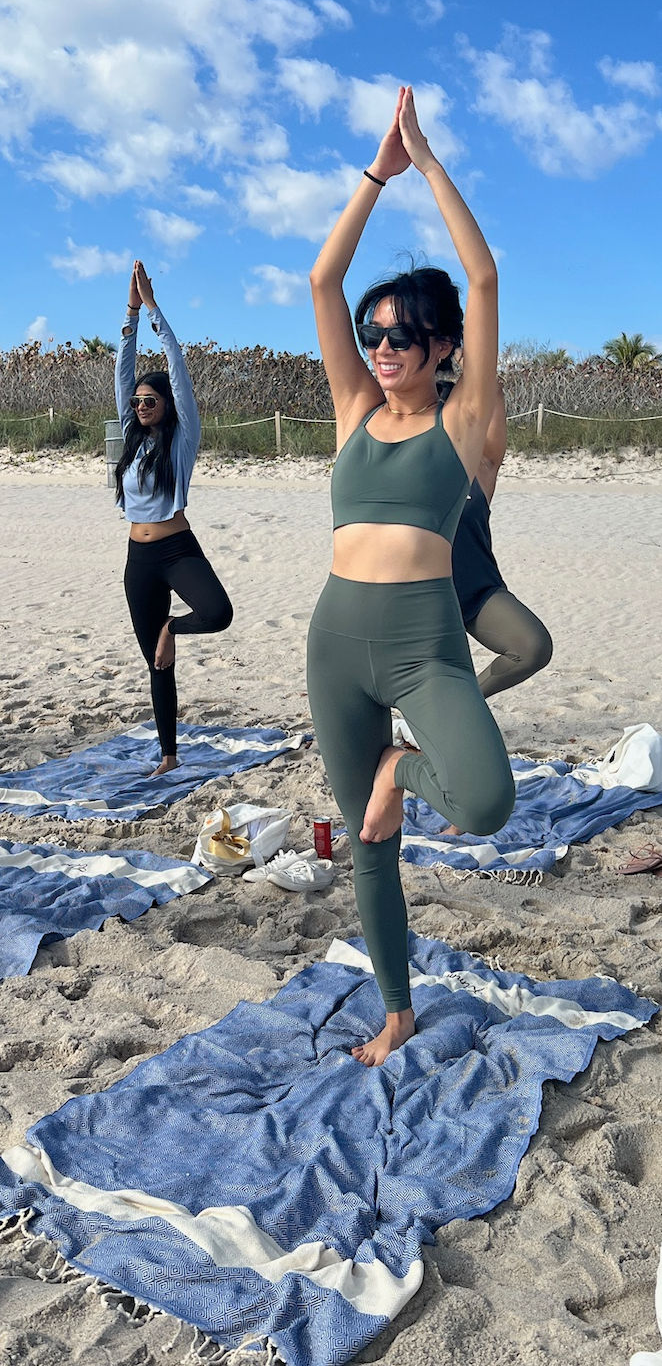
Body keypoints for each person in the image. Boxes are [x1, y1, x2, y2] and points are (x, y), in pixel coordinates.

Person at [306, 85, 515, 1067]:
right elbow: (319, 280)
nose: (381, 348)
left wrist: (425, 164)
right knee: (368, 843)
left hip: (423, 641)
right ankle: (395, 1009)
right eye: (373, 333)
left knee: (480, 799)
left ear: (438, 347)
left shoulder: (461, 418)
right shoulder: (353, 406)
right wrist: (369, 178)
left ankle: (400, 764)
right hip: (336, 639)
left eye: (400, 335)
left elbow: (480, 274)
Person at [114, 260, 233, 776]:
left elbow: (178, 367)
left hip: (177, 550)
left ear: (167, 405)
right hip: (138, 557)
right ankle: (168, 754)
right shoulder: (129, 435)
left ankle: (171, 627)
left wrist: (154, 310)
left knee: (216, 612)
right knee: (156, 666)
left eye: (150, 400)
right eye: (137, 400)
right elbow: (123, 370)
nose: (141, 405)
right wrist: (129, 314)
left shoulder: (182, 440)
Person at [447, 383, 553, 698]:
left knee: (533, 647)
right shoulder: (405, 469)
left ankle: (468, 704)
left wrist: (480, 373)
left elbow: (491, 392)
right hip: (422, 598)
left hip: (478, 592)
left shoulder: (481, 469)